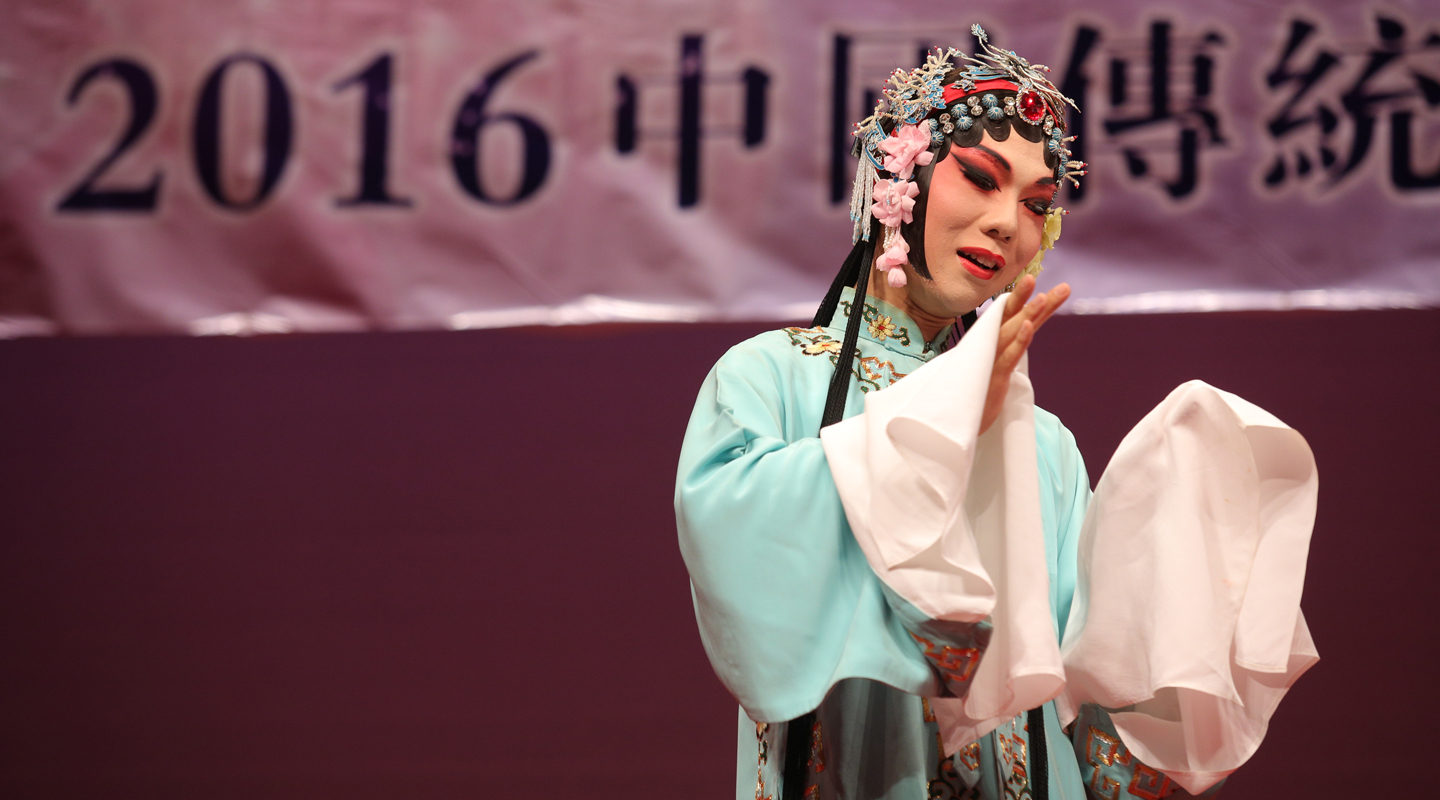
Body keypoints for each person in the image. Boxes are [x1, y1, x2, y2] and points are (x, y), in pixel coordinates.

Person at [676, 28, 1317, 800]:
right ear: (895, 174)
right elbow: (742, 559)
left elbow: (1075, 694)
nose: (1007, 223)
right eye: (980, 178)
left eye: (1035, 204)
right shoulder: (771, 377)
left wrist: (1174, 593)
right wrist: (942, 426)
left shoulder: (1043, 443)